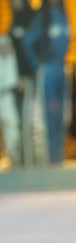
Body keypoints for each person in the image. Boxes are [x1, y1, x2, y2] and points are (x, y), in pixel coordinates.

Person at [22, 0, 70, 164]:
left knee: (61, 116)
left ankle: (59, 158)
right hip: (48, 71)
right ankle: (50, 160)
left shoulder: (64, 15)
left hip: (62, 70)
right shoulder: (42, 17)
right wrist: (37, 66)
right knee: (49, 116)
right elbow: (27, 42)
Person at [8, 0, 37, 166]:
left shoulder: (31, 17)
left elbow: (28, 50)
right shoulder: (14, 19)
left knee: (30, 120)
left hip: (27, 79)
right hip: (16, 79)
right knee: (19, 121)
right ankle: (22, 160)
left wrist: (26, 75)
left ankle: (30, 161)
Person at [0, 34, 21, 167]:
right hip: (2, 96)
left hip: (11, 97)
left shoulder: (14, 59)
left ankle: (15, 156)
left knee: (12, 126)